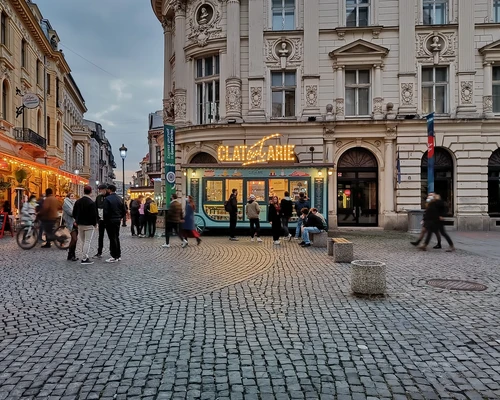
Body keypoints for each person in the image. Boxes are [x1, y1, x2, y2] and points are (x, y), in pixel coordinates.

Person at [73, 186, 98, 265]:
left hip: (80, 224)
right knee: (87, 241)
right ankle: (84, 258)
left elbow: (74, 213)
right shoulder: (91, 203)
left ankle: (85, 256)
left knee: (83, 241)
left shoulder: (78, 202)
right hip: (89, 225)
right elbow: (94, 215)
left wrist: (77, 220)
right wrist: (95, 224)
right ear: (90, 192)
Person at [102, 184, 126, 262]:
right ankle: (118, 255)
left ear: (109, 190)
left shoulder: (107, 199)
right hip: (117, 220)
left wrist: (105, 221)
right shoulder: (119, 198)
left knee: (112, 238)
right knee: (116, 237)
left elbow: (105, 212)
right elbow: (124, 210)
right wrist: (120, 217)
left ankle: (113, 255)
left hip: (110, 220)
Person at [62, 192, 78, 261]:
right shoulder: (66, 204)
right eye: (71, 196)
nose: (73, 197)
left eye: (73, 196)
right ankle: (70, 254)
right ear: (68, 197)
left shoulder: (75, 203)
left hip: (76, 223)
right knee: (74, 239)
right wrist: (78, 212)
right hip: (70, 223)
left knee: (75, 239)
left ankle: (72, 255)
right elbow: (71, 213)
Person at [93, 184, 108, 259]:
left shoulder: (109, 197)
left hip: (108, 220)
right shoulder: (98, 197)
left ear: (105, 189)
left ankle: (113, 252)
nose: (99, 191)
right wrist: (96, 221)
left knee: (111, 236)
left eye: (101, 190)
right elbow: (95, 209)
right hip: (101, 220)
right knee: (100, 236)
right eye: (99, 190)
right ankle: (99, 252)